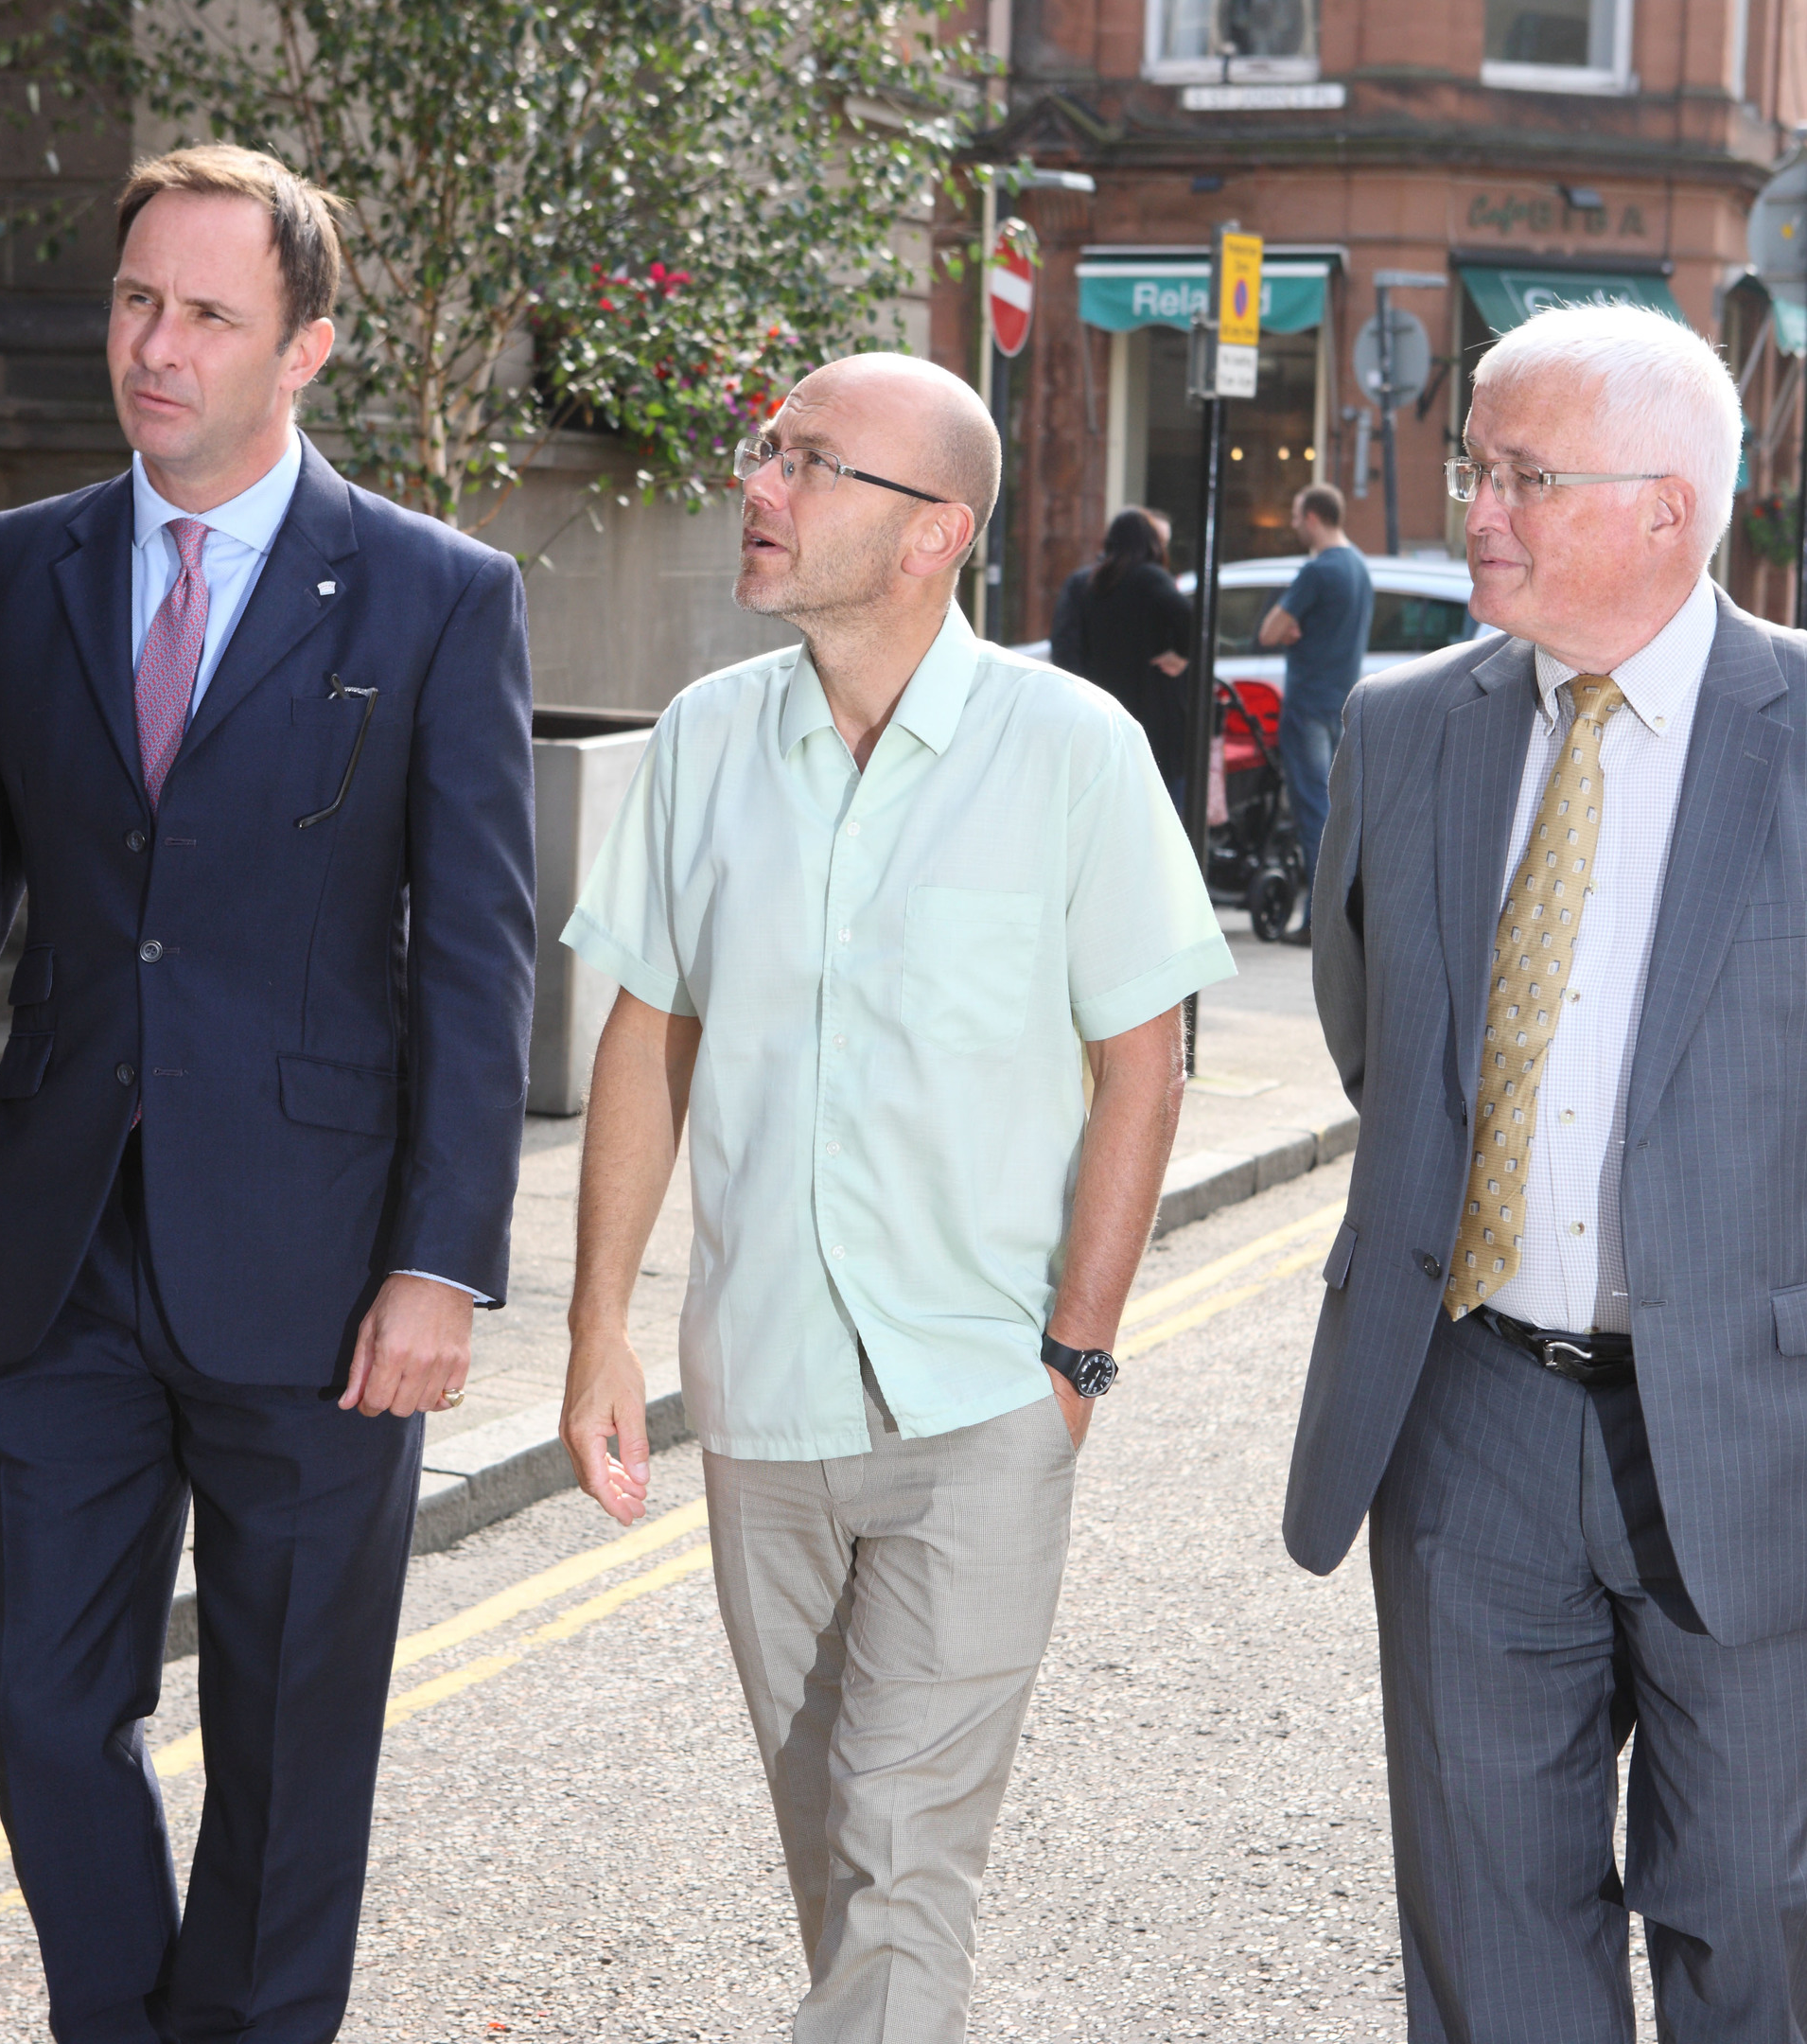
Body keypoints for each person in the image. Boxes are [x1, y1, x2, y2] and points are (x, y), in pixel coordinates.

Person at [0, 144, 535, 2044]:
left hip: (322, 1271)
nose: (158, 344)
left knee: (288, 1752)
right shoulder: (20, 566)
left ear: (308, 350)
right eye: (138, 300)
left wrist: (445, 1261)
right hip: (59, 1259)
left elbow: (476, 953)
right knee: (41, 1705)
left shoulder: (438, 599)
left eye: (209, 313)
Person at [1286, 302, 1807, 2041]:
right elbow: (1378, 1039)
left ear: (1669, 507)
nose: (1478, 508)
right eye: (1476, 465)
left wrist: (1737, 1253)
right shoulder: (1404, 734)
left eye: (1525, 475)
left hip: (1756, 1415)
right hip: (1472, 1417)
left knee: (1755, 1902)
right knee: (1487, 1921)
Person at [555, 352, 1233, 2043]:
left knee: (902, 1852)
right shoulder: (708, 741)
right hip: (763, 1396)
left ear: (935, 532)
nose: (761, 486)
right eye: (764, 448)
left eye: (810, 463)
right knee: (837, 1862)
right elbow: (648, 1037)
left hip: (984, 1401)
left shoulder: (1071, 748)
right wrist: (595, 1334)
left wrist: (1077, 1356)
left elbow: (1146, 1060)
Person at [1255, 483, 1372, 942]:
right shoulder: (1359, 566)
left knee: (1311, 811)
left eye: (1294, 515)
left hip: (1306, 705)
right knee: (1337, 810)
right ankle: (1341, 914)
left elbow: (1268, 631)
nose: (1290, 523)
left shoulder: (1317, 571)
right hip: (1342, 704)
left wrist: (1289, 630)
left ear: (1312, 519)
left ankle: (1317, 921)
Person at [1049, 506, 1196, 800]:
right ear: (1151, 543)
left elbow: (1065, 647)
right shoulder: (1151, 578)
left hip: (1101, 708)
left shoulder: (1086, 583)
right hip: (1154, 711)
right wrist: (1181, 655)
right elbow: (1190, 618)